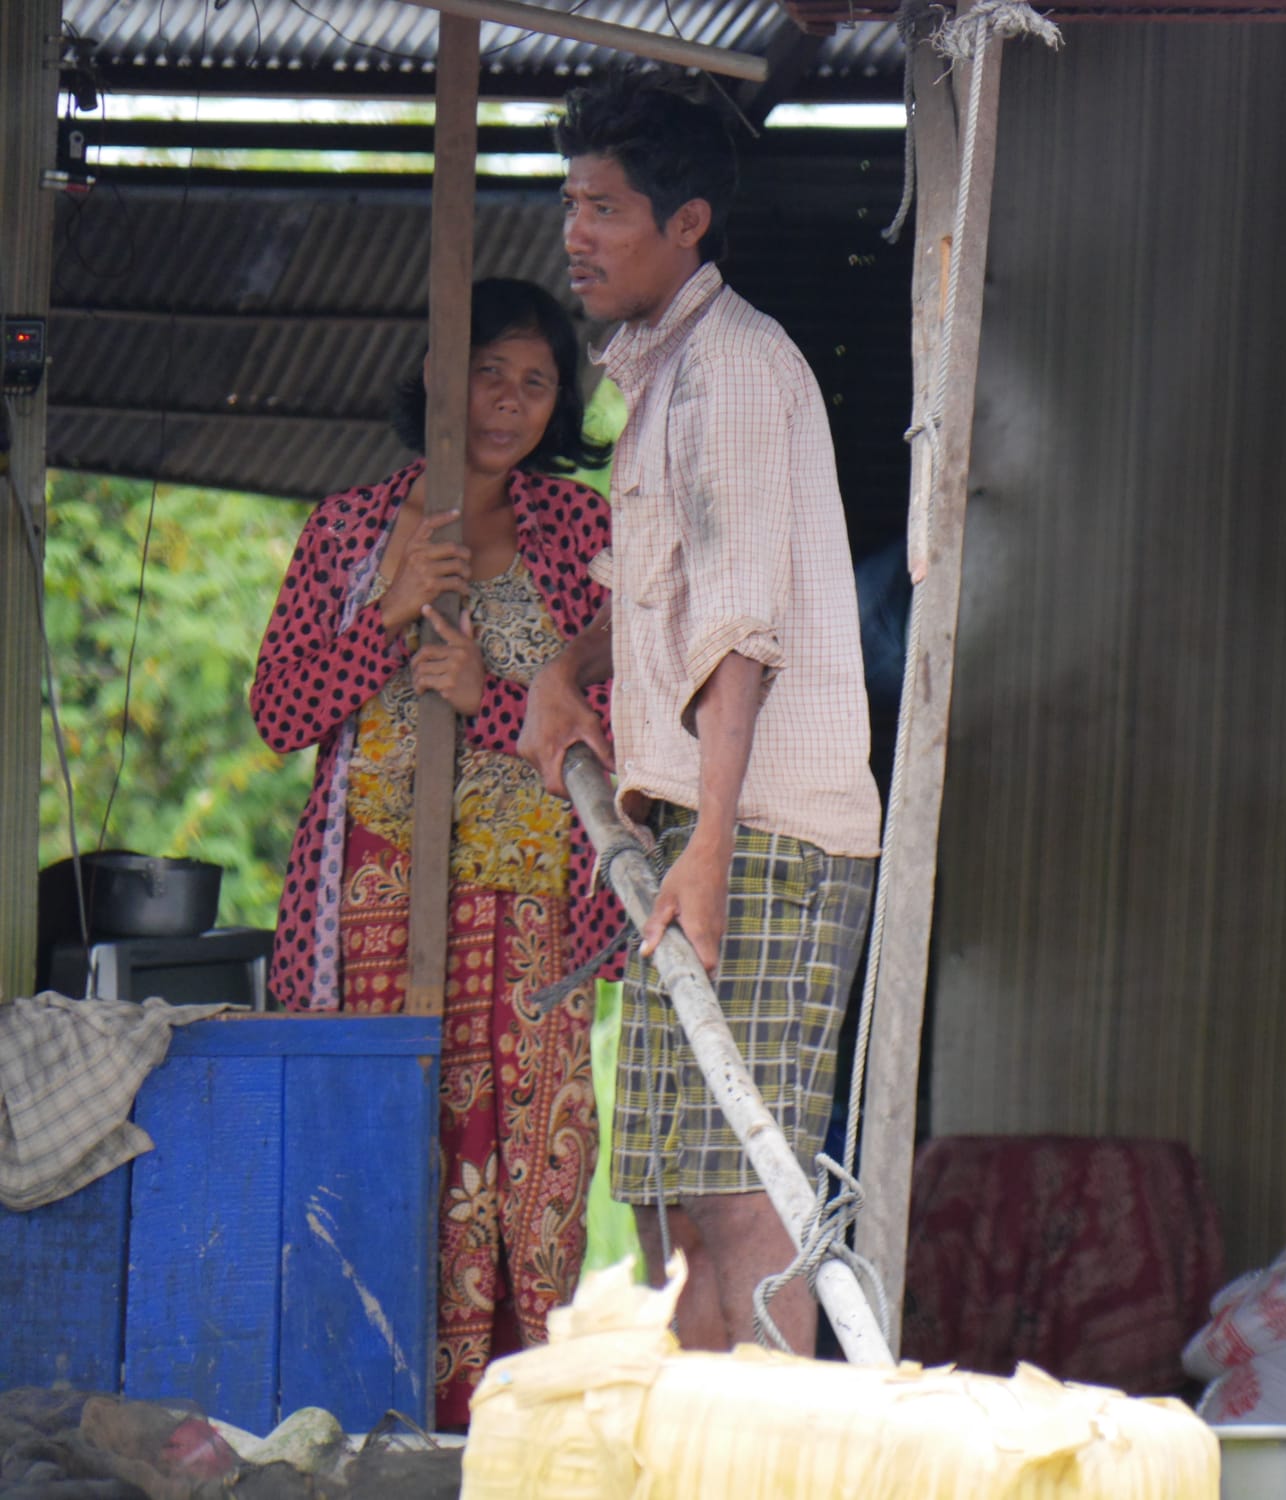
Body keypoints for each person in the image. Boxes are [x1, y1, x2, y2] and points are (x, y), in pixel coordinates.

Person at [519, 71, 882, 1357]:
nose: (576, 233)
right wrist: (569, 664)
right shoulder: (658, 380)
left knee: (743, 1206)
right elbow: (658, 593)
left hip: (767, 834)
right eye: (571, 203)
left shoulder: (732, 370)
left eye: (606, 209)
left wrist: (713, 849)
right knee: (670, 1213)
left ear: (688, 225)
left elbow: (741, 635)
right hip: (693, 829)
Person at [251, 277, 626, 1425]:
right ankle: (360, 1428)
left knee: (515, 1187)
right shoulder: (352, 527)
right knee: (373, 1166)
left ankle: (497, 1443)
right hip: (365, 908)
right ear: (433, 375)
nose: (508, 402)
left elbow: (635, 731)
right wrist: (389, 611)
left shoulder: (583, 533)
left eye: (535, 381)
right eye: (487, 371)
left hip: (525, 916)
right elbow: (278, 712)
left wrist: (499, 689)